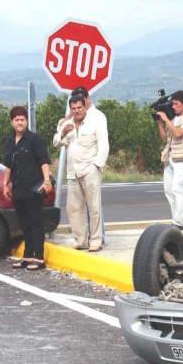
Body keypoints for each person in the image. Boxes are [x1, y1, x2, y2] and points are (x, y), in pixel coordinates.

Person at [53, 93, 109, 251]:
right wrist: (63, 133)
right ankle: (80, 240)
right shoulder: (67, 123)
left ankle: (96, 241)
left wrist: (97, 165)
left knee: (94, 207)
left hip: (90, 170)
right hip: (72, 172)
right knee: (74, 208)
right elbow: (56, 142)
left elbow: (104, 145)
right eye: (74, 108)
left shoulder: (94, 122)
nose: (77, 111)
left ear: (85, 107)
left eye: (79, 107)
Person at [4, 106, 52, 271]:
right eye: (16, 120)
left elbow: (43, 161)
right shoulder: (10, 141)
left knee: (35, 223)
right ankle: (27, 256)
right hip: (18, 190)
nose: (20, 122)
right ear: (12, 122)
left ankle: (38, 257)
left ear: (26, 121)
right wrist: (5, 184)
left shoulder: (34, 140)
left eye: (22, 119)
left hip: (33, 189)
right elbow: (8, 166)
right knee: (24, 225)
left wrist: (46, 180)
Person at [156, 90, 183, 229]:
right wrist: (160, 123)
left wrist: (166, 119)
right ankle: (176, 219)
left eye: (176, 104)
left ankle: (179, 222)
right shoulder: (173, 119)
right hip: (170, 157)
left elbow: (178, 134)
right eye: (172, 104)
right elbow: (165, 139)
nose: (173, 107)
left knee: (178, 189)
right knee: (168, 190)